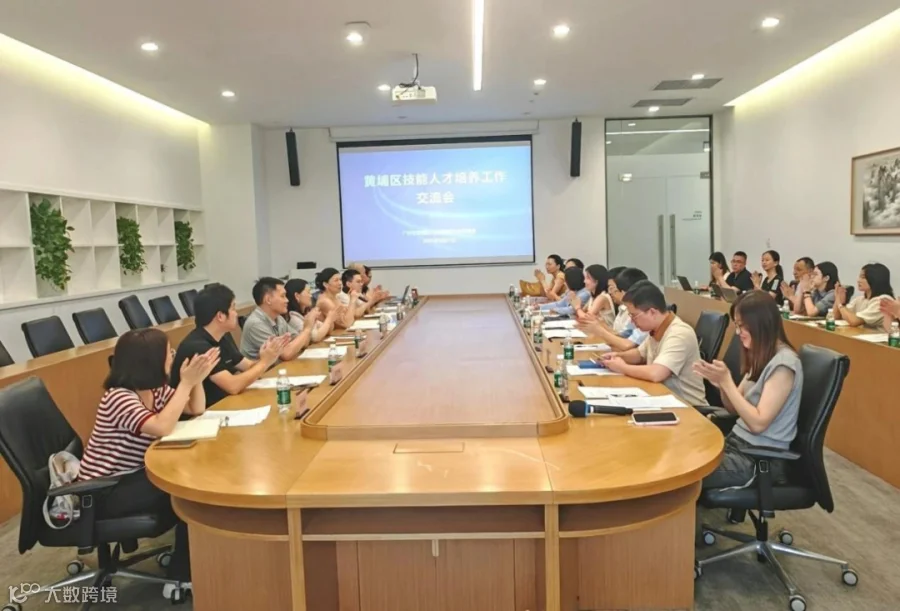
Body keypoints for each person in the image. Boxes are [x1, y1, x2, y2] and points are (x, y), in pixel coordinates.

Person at [78, 329, 220, 585]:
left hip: (132, 477)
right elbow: (162, 427)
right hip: (105, 489)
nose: (172, 357)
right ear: (151, 360)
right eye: (169, 353)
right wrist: (185, 383)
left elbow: (195, 408)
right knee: (190, 491)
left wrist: (196, 380)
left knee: (193, 482)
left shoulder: (156, 390)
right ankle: (182, 576)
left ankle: (190, 563)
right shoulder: (119, 397)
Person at [694, 291, 804, 490]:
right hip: (737, 445)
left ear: (760, 324)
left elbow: (758, 424)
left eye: (741, 326)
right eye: (736, 325)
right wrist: (721, 385)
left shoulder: (784, 364)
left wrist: (727, 382)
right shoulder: (761, 355)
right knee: (683, 453)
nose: (738, 332)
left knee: (684, 472)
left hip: (758, 459)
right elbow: (733, 409)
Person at [171, 284, 289, 406]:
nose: (236, 314)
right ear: (220, 316)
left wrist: (269, 355)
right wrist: (264, 362)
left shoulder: (221, 337)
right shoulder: (198, 347)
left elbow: (248, 366)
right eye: (233, 308)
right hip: (205, 413)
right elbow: (233, 386)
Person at [599, 280, 708, 406]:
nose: (632, 321)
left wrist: (622, 367)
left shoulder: (679, 333)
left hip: (688, 407)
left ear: (652, 312)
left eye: (634, 316)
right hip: (661, 398)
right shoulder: (656, 328)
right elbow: (640, 354)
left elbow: (656, 373)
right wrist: (617, 357)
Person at [240, 277, 318, 360]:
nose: (287, 300)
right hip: (268, 369)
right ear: (268, 300)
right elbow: (285, 354)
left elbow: (304, 343)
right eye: (282, 296)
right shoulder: (256, 324)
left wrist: (305, 332)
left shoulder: (279, 318)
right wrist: (307, 328)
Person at [578, 267, 650, 352]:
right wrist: (600, 325)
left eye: (613, 289)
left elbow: (627, 345)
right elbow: (622, 336)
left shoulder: (644, 313)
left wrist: (599, 329)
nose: (610, 292)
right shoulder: (624, 308)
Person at [833, 263, 894, 328]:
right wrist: (838, 298)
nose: (858, 280)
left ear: (875, 279)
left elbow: (854, 321)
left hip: (879, 334)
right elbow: (836, 317)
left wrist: (839, 304)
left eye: (863, 277)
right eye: (859, 277)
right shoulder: (860, 299)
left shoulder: (884, 301)